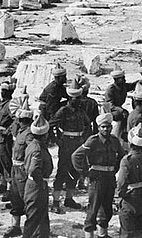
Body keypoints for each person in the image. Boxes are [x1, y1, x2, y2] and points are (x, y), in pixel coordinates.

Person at [72, 112, 126, 238]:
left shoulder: (114, 141)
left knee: (107, 208)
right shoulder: (93, 141)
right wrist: (85, 173)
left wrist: (115, 169)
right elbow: (76, 156)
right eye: (103, 127)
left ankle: (103, 234)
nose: (105, 129)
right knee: (93, 208)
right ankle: (89, 234)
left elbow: (122, 156)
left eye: (108, 127)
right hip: (96, 178)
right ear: (98, 127)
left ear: (111, 127)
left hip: (110, 177)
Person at [49, 79, 89, 213]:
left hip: (78, 143)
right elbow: (51, 125)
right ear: (69, 98)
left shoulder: (81, 110)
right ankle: (55, 202)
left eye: (79, 98)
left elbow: (88, 124)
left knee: (75, 171)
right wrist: (57, 140)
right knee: (62, 171)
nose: (78, 100)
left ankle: (69, 198)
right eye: (75, 98)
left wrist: (85, 139)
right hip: (66, 143)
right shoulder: (63, 110)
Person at [4, 105, 34, 238]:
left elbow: (32, 151)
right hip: (15, 169)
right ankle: (15, 226)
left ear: (23, 121)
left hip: (22, 169)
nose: (18, 122)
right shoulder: (20, 132)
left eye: (19, 120)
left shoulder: (28, 134)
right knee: (15, 197)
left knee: (25, 198)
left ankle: (31, 227)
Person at [22, 112, 54, 238]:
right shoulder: (37, 149)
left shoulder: (33, 145)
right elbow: (34, 170)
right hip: (36, 186)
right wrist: (42, 183)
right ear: (44, 134)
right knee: (34, 218)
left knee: (40, 217)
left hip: (34, 185)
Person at [0, 80, 16, 199]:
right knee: (1, 161)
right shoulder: (4, 103)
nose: (2, 93)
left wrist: (8, 131)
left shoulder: (10, 105)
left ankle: (11, 189)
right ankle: (3, 183)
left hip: (5, 137)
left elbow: (16, 120)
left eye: (4, 91)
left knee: (6, 161)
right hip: (0, 136)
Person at [105, 69, 131, 142]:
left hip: (118, 109)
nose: (124, 79)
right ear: (117, 80)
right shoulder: (111, 89)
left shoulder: (123, 87)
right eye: (122, 78)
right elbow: (110, 105)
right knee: (121, 116)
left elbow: (132, 85)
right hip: (111, 111)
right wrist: (121, 110)